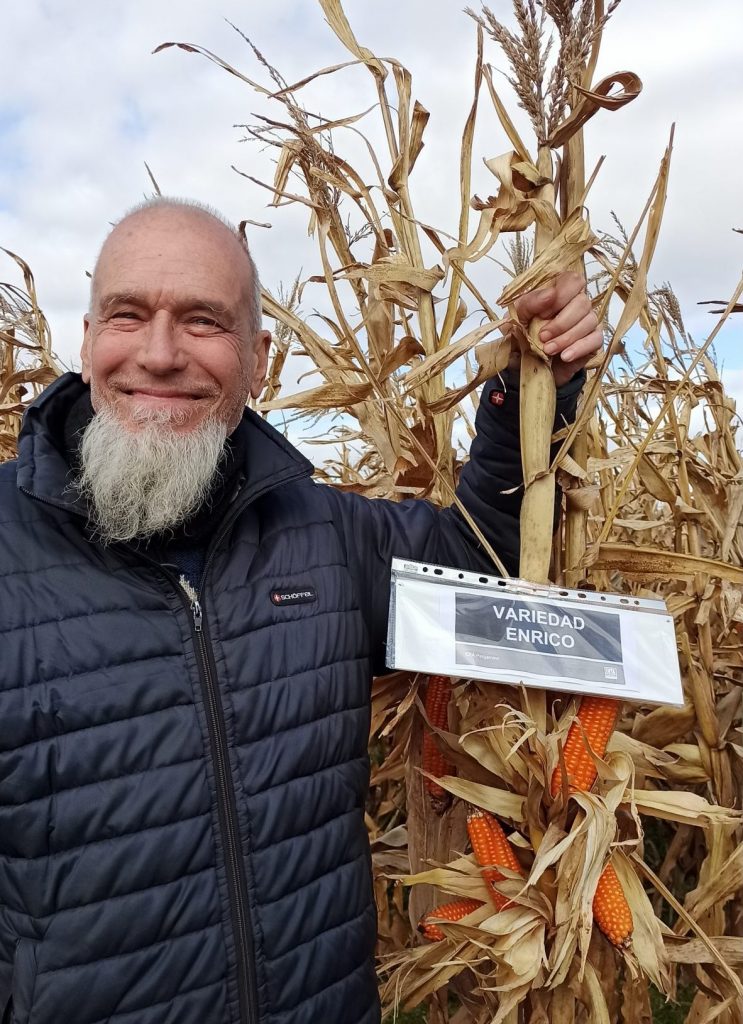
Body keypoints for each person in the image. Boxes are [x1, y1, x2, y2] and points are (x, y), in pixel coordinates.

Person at [0, 198, 602, 1024]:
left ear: (260, 360)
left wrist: (531, 391)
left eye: (204, 321)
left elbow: (481, 567)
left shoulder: (326, 535)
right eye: (128, 314)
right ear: (88, 338)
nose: (161, 352)